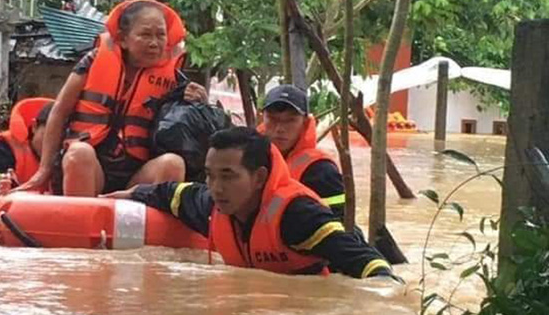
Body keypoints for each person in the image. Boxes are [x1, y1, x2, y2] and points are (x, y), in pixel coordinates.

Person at [106, 127, 397, 279]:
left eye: (228, 176)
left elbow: (366, 261)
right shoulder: (213, 205)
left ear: (259, 178)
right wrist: (133, 194)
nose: (216, 188)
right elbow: (174, 195)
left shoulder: (296, 216)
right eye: (210, 175)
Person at [17, 0, 207, 197]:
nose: (154, 43)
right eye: (145, 35)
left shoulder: (175, 79)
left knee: (173, 163)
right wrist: (44, 170)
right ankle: (80, 222)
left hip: (137, 173)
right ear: (123, 39)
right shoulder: (94, 60)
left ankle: (150, 225)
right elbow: (59, 111)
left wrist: (198, 103)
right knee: (79, 153)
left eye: (161, 35)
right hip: (91, 164)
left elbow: (189, 132)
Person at [259, 85, 346, 218]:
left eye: (290, 120)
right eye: (273, 119)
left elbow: (340, 222)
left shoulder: (322, 171)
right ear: (262, 118)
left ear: (305, 122)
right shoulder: (246, 159)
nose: (280, 129)